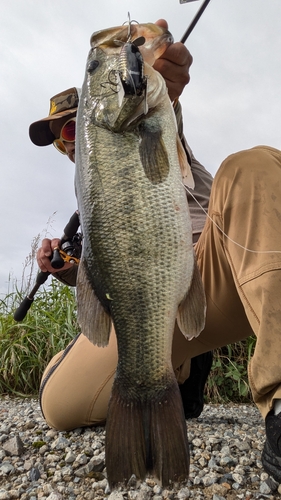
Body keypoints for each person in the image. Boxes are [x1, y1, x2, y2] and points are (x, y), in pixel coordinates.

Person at [30, 20, 281, 483]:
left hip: (227, 269)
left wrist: (157, 72)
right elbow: (109, 278)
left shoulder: (154, 124)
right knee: (57, 402)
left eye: (72, 121)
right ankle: (178, 372)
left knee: (254, 166)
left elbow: (159, 115)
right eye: (62, 137)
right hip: (161, 306)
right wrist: (68, 271)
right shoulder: (92, 199)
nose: (69, 139)